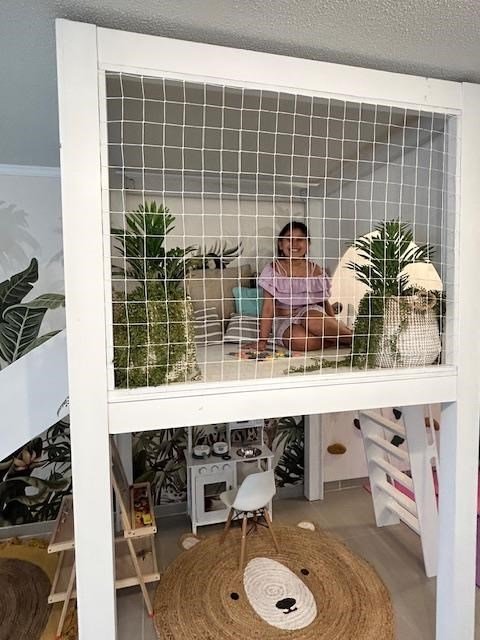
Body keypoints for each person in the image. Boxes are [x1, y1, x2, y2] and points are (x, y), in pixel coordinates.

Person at [250, 221, 352, 353]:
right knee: (299, 340)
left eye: (300, 240)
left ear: (308, 245)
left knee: (312, 319)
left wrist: (333, 323)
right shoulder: (272, 270)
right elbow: (268, 308)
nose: (294, 244)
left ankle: (354, 338)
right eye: (289, 239)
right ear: (280, 244)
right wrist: (262, 341)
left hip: (312, 314)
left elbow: (324, 303)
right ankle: (339, 338)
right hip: (285, 320)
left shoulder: (316, 270)